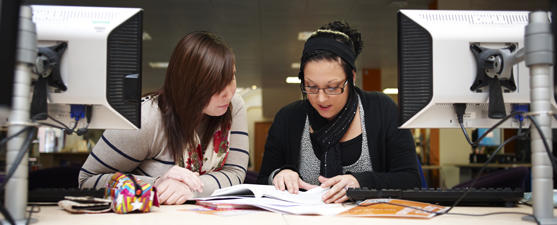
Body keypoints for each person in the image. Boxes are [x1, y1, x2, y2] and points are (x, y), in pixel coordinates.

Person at [256, 21, 420, 203]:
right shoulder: (288, 118)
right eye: (311, 87)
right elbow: (262, 181)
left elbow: (411, 180)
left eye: (333, 87)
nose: (321, 99)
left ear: (352, 78)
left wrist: (361, 182)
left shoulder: (382, 110)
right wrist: (279, 175)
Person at [79, 31, 249, 205]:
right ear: (188, 86)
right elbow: (87, 181)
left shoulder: (233, 106)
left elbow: (235, 172)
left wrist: (189, 189)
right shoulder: (144, 118)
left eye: (231, 76)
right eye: (214, 85)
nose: (228, 93)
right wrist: (156, 184)